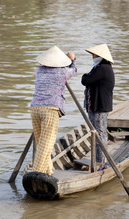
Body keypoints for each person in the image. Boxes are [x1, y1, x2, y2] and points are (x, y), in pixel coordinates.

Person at [30, 45, 77, 175]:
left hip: (35, 108)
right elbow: (73, 70)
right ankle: (36, 173)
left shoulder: (39, 70)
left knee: (42, 144)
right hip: (50, 109)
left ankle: (48, 172)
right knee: (46, 145)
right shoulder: (62, 72)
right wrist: (72, 59)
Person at [81, 43, 115, 169]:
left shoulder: (102, 68)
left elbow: (86, 80)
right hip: (97, 105)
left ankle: (102, 162)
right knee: (98, 133)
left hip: (99, 106)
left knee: (99, 133)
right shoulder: (102, 67)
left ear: (100, 56)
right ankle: (99, 160)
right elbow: (88, 79)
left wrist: (85, 75)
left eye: (94, 54)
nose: (92, 56)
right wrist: (87, 76)